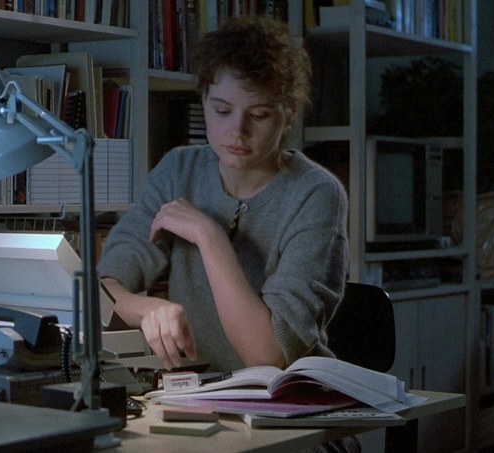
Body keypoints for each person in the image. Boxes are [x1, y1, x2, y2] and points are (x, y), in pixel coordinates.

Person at [97, 15, 349, 375]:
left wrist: (209, 236)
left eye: (259, 115)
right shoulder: (179, 170)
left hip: (284, 395)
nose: (237, 130)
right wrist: (147, 308)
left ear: (289, 114)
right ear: (203, 101)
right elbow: (102, 289)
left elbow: (266, 354)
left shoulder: (316, 195)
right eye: (222, 111)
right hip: (197, 391)